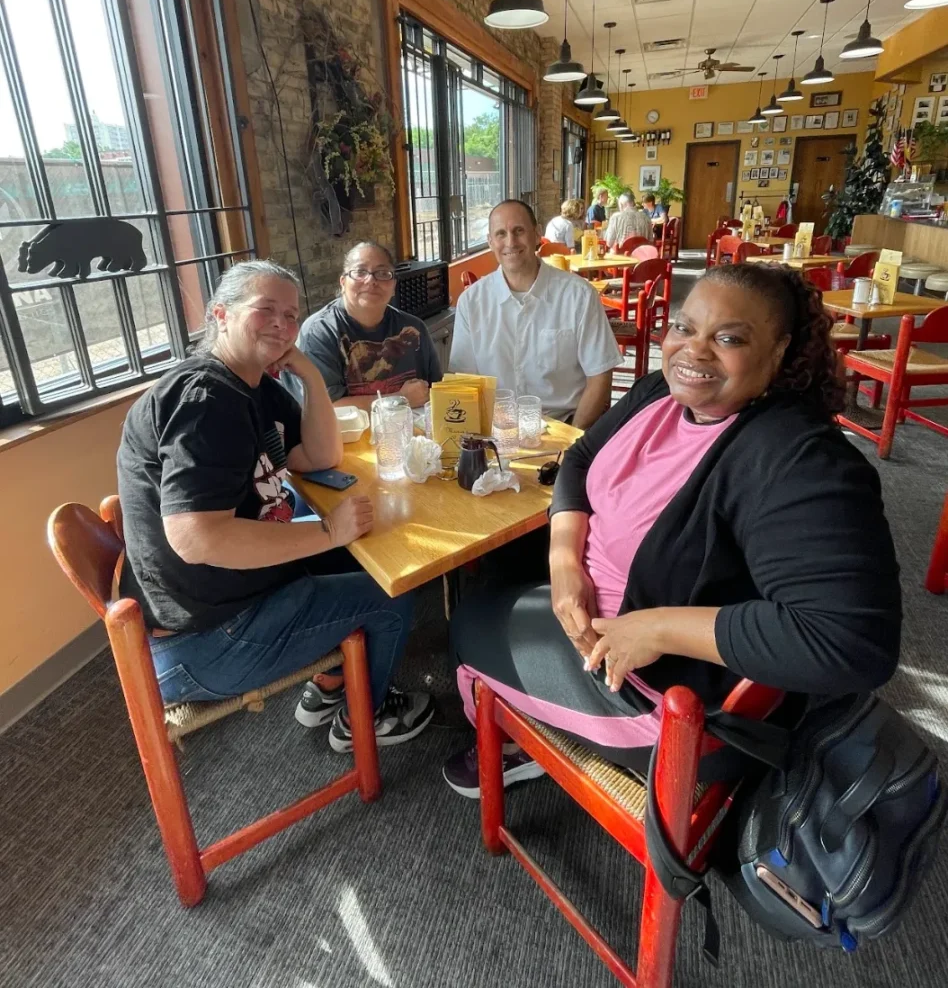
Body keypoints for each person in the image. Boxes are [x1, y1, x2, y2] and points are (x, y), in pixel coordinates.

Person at [442, 263, 901, 796]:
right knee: (495, 572)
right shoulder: (663, 389)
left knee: (468, 622)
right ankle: (537, 698)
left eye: (728, 338)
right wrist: (565, 560)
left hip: (660, 694)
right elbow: (581, 458)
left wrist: (656, 629)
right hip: (603, 615)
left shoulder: (798, 461)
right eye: (684, 327)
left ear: (780, 352)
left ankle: (524, 741)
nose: (694, 350)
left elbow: (854, 643)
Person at [117, 259, 433, 753]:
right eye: (267, 310)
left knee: (360, 553)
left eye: (291, 315)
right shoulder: (206, 400)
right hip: (205, 641)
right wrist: (328, 531)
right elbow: (196, 537)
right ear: (220, 315)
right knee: (392, 594)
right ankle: (362, 719)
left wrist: (305, 369)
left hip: (221, 604)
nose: (283, 325)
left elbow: (321, 455)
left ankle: (332, 683)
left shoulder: (251, 385)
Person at [449, 199, 622, 428]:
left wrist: (571, 444)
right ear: (490, 242)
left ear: (537, 234)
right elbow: (464, 382)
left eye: (519, 231)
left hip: (565, 424)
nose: (510, 242)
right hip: (497, 431)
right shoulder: (472, 303)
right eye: (501, 234)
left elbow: (600, 377)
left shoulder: (579, 296)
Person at [284, 242, 442, 411]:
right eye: (360, 272)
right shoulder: (320, 332)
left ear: (394, 286)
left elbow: (437, 390)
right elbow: (326, 408)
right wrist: (400, 399)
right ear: (343, 283)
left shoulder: (414, 328)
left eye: (382, 273)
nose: (371, 280)